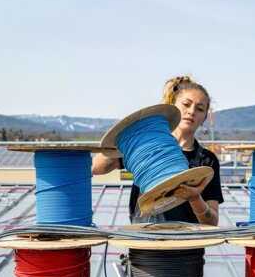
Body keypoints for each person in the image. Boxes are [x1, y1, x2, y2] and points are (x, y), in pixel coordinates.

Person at [92, 76, 224, 226]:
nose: (191, 111)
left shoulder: (207, 160)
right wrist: (123, 135)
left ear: (204, 118)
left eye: (200, 109)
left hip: (188, 245)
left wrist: (195, 198)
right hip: (144, 242)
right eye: (186, 104)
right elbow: (96, 168)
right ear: (173, 106)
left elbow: (212, 223)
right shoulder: (145, 144)